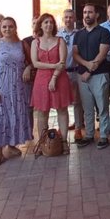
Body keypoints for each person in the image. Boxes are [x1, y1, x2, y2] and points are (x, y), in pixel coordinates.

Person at [0, 17, 33, 168]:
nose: (7, 29)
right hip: (1, 87)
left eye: (10, 26)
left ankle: (11, 146)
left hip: (19, 88)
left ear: (15, 27)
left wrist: (28, 68)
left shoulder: (22, 44)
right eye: (4, 27)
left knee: (15, 116)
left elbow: (32, 61)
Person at [30, 13, 73, 155]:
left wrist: (54, 77)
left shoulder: (60, 41)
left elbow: (62, 63)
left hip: (59, 78)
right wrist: (53, 66)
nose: (49, 25)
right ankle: (43, 142)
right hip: (41, 81)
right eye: (45, 22)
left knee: (62, 110)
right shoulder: (35, 42)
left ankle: (64, 142)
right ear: (40, 25)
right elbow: (35, 63)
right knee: (42, 112)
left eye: (51, 22)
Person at [73, 3, 110, 149]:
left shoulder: (104, 32)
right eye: (84, 12)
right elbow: (75, 54)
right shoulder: (79, 34)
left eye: (90, 12)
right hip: (82, 76)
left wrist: (90, 69)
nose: (87, 15)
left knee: (102, 107)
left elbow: (102, 53)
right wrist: (86, 66)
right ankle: (89, 135)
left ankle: (103, 136)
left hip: (99, 75)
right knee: (87, 108)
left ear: (96, 15)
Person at [59, 9, 85, 142]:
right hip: (62, 72)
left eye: (71, 17)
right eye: (66, 17)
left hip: (76, 71)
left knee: (77, 101)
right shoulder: (57, 34)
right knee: (62, 101)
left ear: (75, 19)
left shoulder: (79, 34)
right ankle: (61, 126)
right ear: (63, 19)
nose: (68, 19)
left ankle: (78, 128)